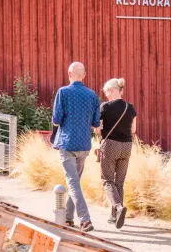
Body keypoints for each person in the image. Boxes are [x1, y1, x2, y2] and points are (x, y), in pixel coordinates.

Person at [52, 62, 100, 232]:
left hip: (67, 143)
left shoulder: (63, 92)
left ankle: (85, 220)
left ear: (69, 73)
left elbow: (56, 120)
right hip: (84, 144)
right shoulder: (92, 95)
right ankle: (67, 218)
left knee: (73, 183)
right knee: (75, 183)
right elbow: (95, 123)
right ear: (84, 75)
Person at [98, 78, 137, 229]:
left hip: (110, 145)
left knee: (107, 180)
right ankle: (114, 216)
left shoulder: (105, 107)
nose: (105, 94)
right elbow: (133, 130)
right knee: (119, 182)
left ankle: (118, 208)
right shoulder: (131, 107)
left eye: (106, 91)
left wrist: (99, 129)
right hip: (127, 146)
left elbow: (97, 128)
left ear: (112, 90)